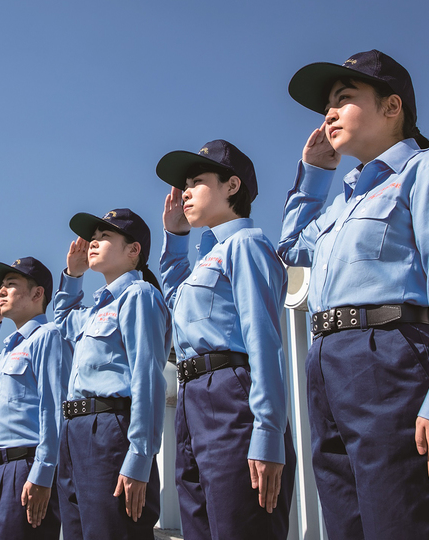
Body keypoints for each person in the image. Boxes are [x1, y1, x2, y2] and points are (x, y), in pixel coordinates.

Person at [278, 49, 429, 539]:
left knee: (406, 522)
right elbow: (291, 247)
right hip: (328, 369)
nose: (328, 113)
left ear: (392, 107)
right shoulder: (342, 203)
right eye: (326, 106)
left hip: (391, 361)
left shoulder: (428, 169)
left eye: (343, 99)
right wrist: (314, 175)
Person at [156, 139, 296, 540]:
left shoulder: (247, 245)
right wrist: (175, 238)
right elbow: (175, 300)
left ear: (231, 186)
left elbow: (264, 341)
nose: (185, 192)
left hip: (232, 395)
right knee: (199, 526)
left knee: (241, 525)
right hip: (192, 399)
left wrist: (268, 430)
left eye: (196, 181)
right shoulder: (205, 260)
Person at [53, 208, 172, 540]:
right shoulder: (95, 310)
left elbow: (147, 379)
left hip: (107, 431)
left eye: (105, 236)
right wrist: (72, 276)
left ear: (133, 251)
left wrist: (139, 458)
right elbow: (63, 322)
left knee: (112, 531)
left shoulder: (139, 296)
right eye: (93, 237)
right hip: (75, 433)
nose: (94, 242)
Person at [0, 257, 71, 540]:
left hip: (26, 468)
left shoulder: (47, 336)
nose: (0, 291)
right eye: (0, 286)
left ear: (37, 293)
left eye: (10, 285)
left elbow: (53, 409)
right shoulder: (6, 350)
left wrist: (42, 474)